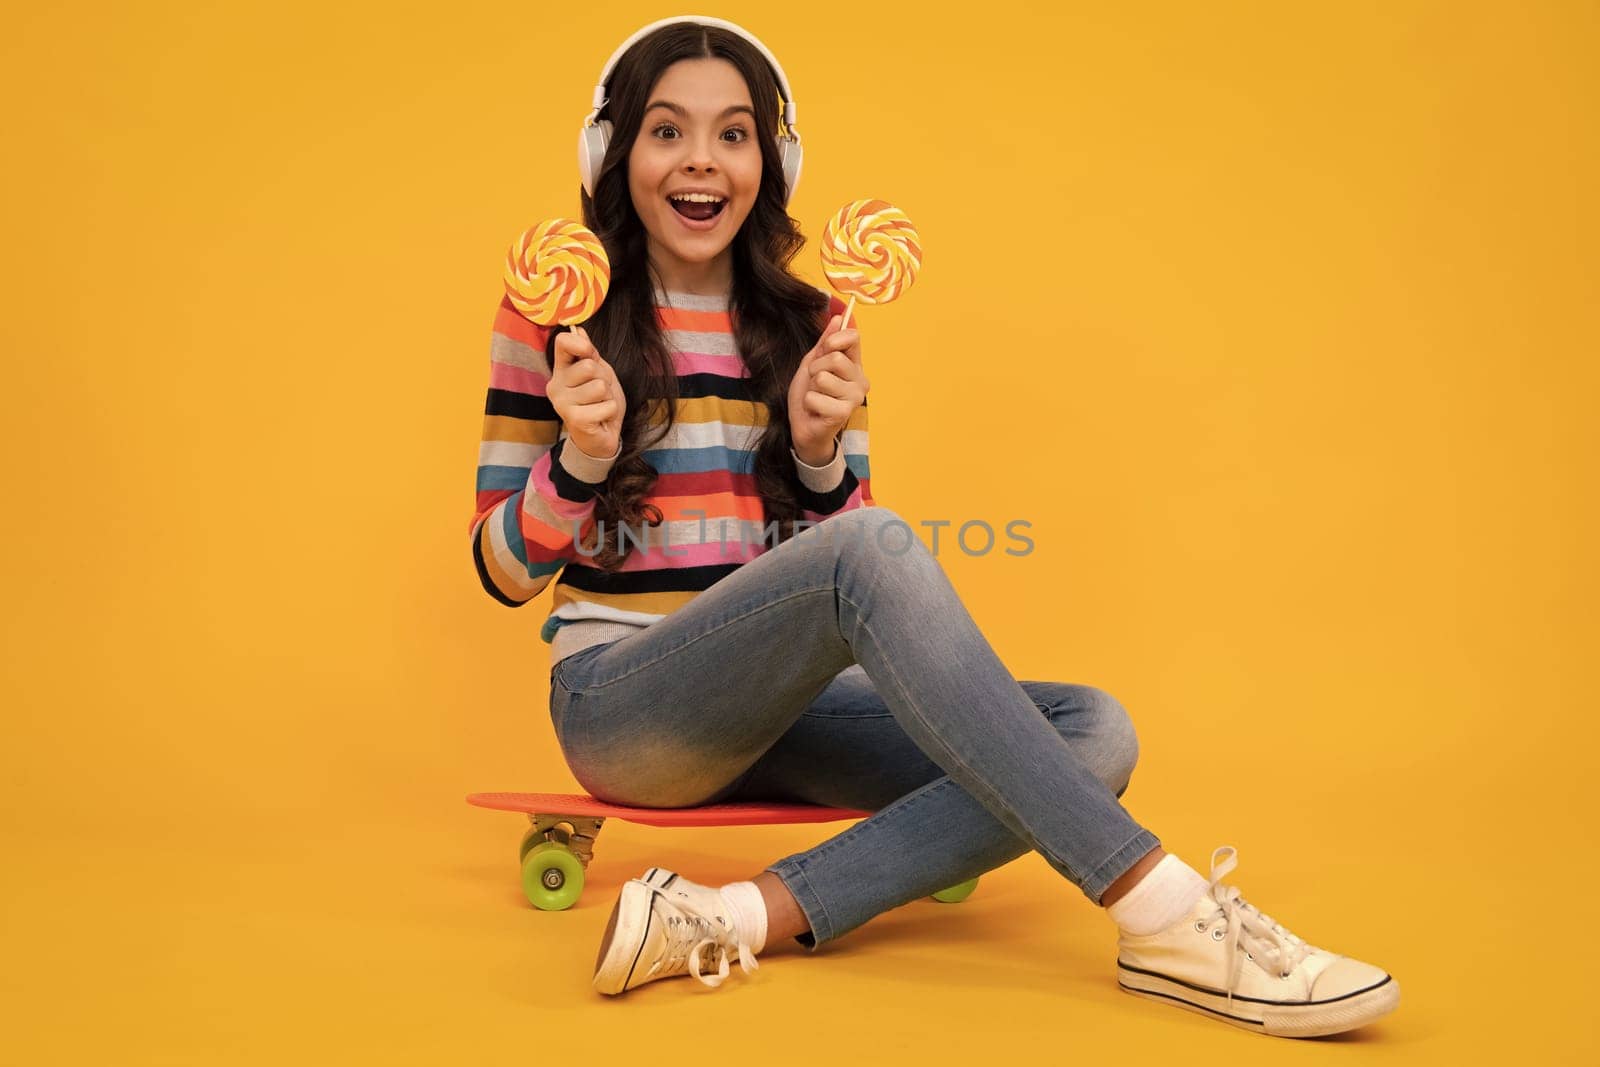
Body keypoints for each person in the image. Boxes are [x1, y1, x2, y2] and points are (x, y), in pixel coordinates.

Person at [468, 17, 1400, 1038]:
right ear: (612, 153)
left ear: (769, 163)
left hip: (783, 713)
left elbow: (850, 590)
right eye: (666, 131)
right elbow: (503, 572)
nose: (700, 160)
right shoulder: (556, 322)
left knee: (1094, 729)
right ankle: (1170, 914)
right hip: (627, 710)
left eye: (732, 134)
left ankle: (726, 915)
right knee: (875, 548)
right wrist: (580, 459)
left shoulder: (815, 329)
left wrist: (821, 453)